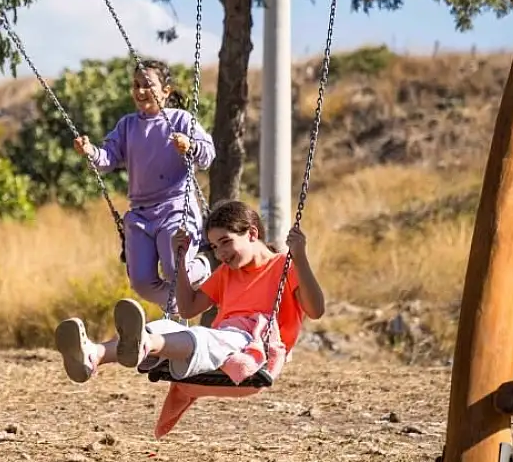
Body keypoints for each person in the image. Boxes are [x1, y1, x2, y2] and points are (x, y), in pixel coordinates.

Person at [53, 200, 326, 436]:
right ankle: (94, 355)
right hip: (223, 343)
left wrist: (300, 258)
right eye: (215, 247)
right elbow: (188, 309)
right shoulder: (226, 273)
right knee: (164, 326)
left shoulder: (284, 266)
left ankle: (147, 345)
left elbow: (316, 310)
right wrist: (180, 260)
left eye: (226, 242)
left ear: (252, 233)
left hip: (253, 347)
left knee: (202, 336)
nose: (221, 254)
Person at [72, 59, 215, 315]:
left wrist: (189, 146)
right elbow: (107, 159)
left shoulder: (180, 119)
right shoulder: (127, 125)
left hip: (175, 208)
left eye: (147, 85)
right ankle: (175, 303)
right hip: (140, 214)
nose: (140, 91)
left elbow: (208, 155)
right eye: (136, 85)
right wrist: (90, 150)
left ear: (166, 91)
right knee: (140, 282)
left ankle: (204, 267)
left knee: (174, 270)